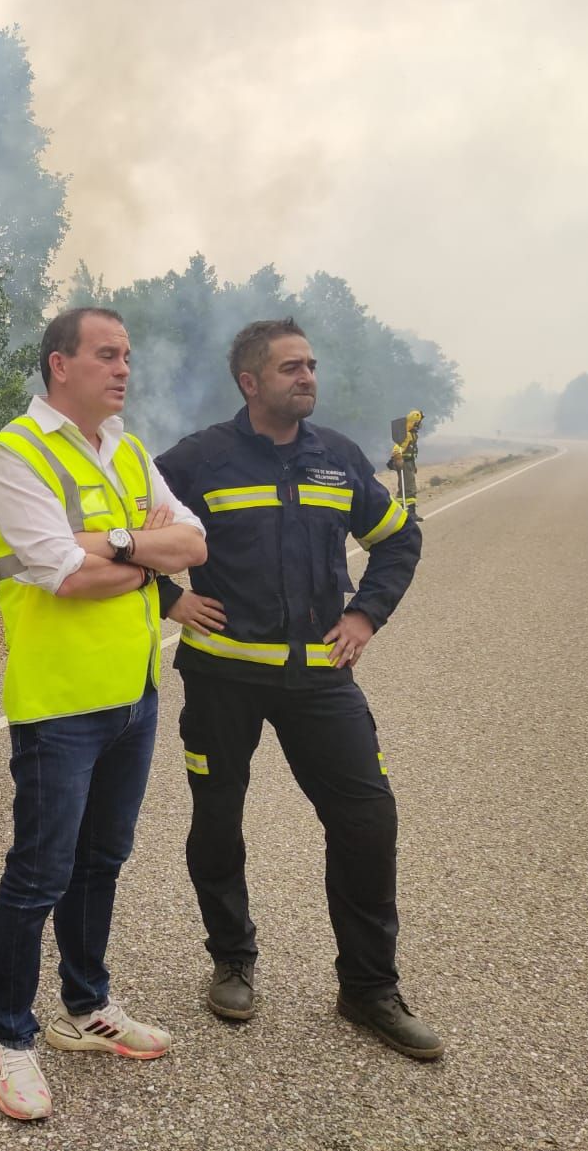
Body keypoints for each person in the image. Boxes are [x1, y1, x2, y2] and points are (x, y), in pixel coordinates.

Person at [153, 318, 443, 1060]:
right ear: (250, 382)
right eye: (290, 367)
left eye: (311, 364)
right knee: (217, 821)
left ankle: (369, 989)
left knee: (368, 821)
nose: (307, 376)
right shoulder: (197, 461)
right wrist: (168, 600)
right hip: (222, 677)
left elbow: (398, 536)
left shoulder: (336, 459)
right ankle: (233, 959)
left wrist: (365, 613)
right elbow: (119, 527)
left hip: (320, 681)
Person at [0, 307, 207, 1121]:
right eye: (107, 354)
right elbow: (63, 576)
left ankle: (86, 1005)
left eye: (129, 354)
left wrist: (116, 545)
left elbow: (196, 544)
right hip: (60, 702)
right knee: (40, 871)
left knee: (103, 859)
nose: (124, 368)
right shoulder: (17, 454)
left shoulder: (130, 449)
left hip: (133, 694)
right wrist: (144, 547)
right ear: (58, 364)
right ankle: (10, 1036)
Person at [387, 409, 425, 521]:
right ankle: (410, 512)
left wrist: (414, 465)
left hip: (409, 463)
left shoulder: (411, 434)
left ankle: (400, 512)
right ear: (414, 422)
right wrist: (398, 458)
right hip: (405, 463)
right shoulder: (407, 435)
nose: (420, 425)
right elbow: (396, 448)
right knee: (409, 488)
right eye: (418, 422)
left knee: (404, 488)